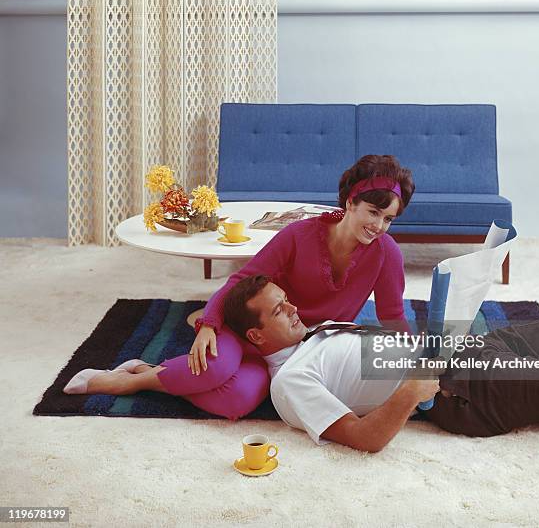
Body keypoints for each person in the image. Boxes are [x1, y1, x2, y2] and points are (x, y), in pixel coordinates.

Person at [62, 155, 416, 420]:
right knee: (216, 369)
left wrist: (415, 363)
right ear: (350, 202)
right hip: (254, 328)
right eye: (372, 212)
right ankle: (131, 380)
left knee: (239, 402)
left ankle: (147, 372)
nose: (379, 226)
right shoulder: (299, 235)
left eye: (388, 219)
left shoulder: (387, 254)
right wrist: (209, 325)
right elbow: (240, 282)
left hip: (297, 348)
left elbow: (392, 316)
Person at [216, 275, 539, 452]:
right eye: (280, 310)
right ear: (256, 336)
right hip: (465, 391)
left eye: (287, 300)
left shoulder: (319, 331)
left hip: (473, 346)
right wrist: (411, 389)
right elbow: (363, 438)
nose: (294, 309)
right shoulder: (289, 382)